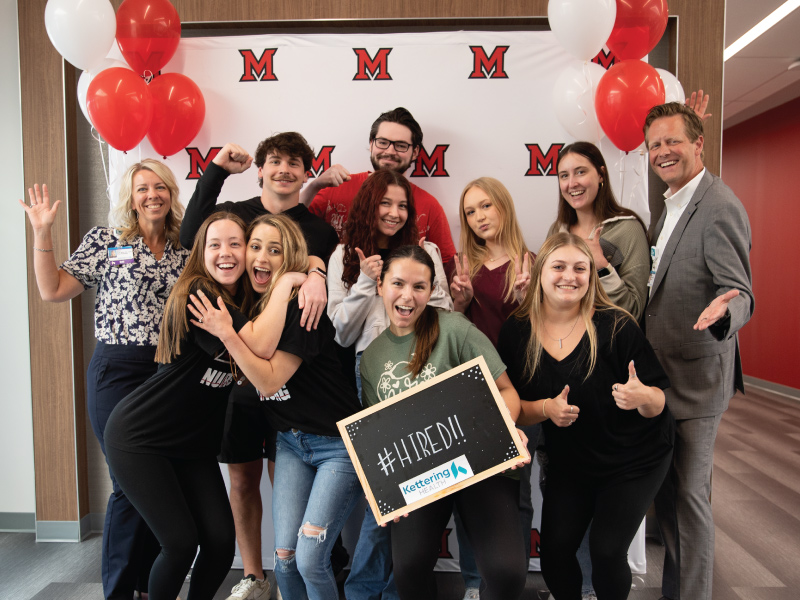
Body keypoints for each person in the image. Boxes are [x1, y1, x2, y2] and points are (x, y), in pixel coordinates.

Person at [179, 133, 342, 600]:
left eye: (294, 163)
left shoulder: (318, 231)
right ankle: (255, 576)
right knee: (243, 477)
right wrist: (215, 170)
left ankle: (294, 570)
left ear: (306, 171)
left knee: (285, 470)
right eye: (275, 161)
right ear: (261, 168)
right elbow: (192, 237)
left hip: (287, 384)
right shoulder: (239, 214)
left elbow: (316, 264)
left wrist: (314, 272)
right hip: (242, 378)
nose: (284, 170)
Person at [19, 160, 190, 600]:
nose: (152, 195)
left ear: (171, 193)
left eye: (160, 187)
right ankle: (117, 591)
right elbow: (52, 290)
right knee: (127, 485)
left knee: (157, 483)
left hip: (166, 374)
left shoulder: (186, 248)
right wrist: (42, 233)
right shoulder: (106, 241)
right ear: (130, 198)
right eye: (142, 188)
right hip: (116, 372)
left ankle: (148, 587)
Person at [497, 232, 675, 600]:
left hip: (635, 459)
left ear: (591, 276)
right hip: (572, 463)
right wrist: (547, 408)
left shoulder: (617, 324)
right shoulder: (516, 330)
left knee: (606, 552)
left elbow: (659, 402)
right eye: (559, 266)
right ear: (540, 273)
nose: (570, 276)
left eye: (580, 268)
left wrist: (641, 396)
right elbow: (514, 409)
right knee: (555, 555)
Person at [359, 245, 530, 600]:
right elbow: (382, 437)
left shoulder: (454, 328)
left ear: (431, 290)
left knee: (507, 573)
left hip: (479, 462)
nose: (407, 296)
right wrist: (385, 490)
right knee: (408, 568)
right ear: (380, 285)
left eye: (419, 286)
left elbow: (507, 392)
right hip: (422, 476)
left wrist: (505, 427)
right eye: (398, 283)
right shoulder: (372, 359)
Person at [103, 212, 255, 600]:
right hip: (140, 438)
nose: (225, 253)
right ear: (201, 252)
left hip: (191, 445)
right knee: (180, 544)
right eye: (214, 245)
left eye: (235, 243)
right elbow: (258, 344)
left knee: (220, 544)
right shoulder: (200, 295)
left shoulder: (242, 301)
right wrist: (291, 280)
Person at [643, 102, 753, 600]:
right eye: (655, 145)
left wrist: (725, 313)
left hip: (696, 382)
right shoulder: (671, 204)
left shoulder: (718, 205)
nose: (663, 152)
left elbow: (740, 292)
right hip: (661, 379)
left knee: (689, 500)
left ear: (698, 144)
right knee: (670, 500)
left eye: (673, 141)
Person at [326, 170, 452, 600]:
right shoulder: (343, 254)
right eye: (385, 203)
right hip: (373, 371)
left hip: (423, 366)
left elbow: (443, 312)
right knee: (384, 493)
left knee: (415, 491)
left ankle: (401, 590)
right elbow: (341, 333)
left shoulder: (425, 250)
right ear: (367, 205)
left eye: (402, 205)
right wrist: (367, 280)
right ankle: (364, 592)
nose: (395, 213)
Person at [446, 176, 533, 595]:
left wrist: (531, 302)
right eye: (470, 211)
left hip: (523, 392)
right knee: (470, 492)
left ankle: (510, 583)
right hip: (476, 393)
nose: (479, 217)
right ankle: (473, 583)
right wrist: (460, 302)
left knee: (518, 493)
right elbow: (453, 333)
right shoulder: (464, 267)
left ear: (503, 205)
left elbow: (549, 333)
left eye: (486, 206)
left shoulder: (532, 262)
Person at [302, 106, 457, 264]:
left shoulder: (429, 205)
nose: (390, 151)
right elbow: (291, 223)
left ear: (415, 152)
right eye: (382, 142)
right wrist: (314, 185)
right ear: (371, 144)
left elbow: (448, 264)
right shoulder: (336, 189)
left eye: (401, 145)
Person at [549, 142, 649, 322]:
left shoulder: (628, 230)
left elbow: (634, 311)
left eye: (580, 172)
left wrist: (602, 267)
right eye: (564, 176)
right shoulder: (557, 231)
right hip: (564, 336)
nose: (572, 183)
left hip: (609, 338)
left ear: (601, 174)